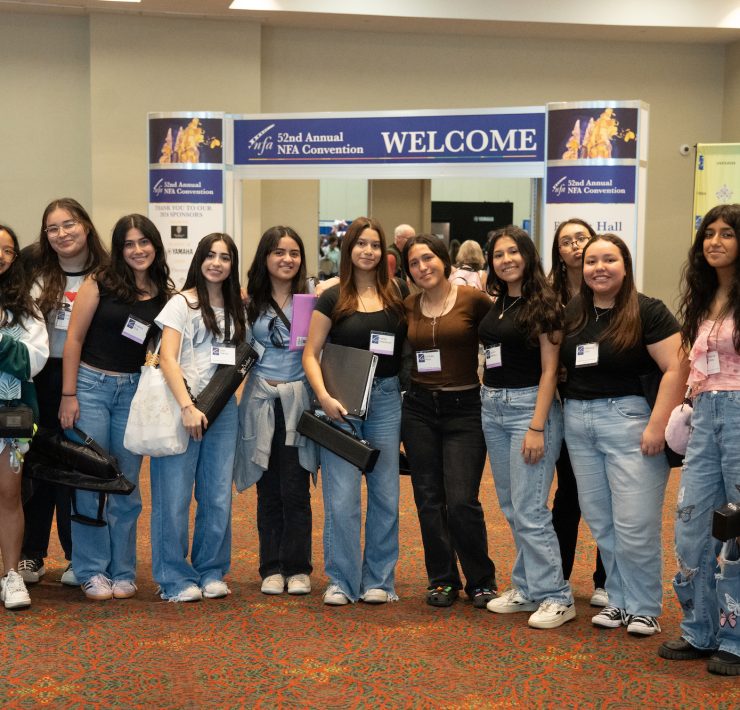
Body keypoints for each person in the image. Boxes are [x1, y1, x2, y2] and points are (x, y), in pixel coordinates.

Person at [561, 233, 687, 636]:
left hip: (630, 422)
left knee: (635, 523)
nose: (599, 268)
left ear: (625, 265)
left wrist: (657, 425)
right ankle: (617, 599)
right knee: (602, 521)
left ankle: (645, 605)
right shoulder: (574, 311)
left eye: (609, 260)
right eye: (591, 261)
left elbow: (677, 368)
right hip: (579, 424)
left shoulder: (648, 310)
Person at [60, 214, 173, 601]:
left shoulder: (164, 292)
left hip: (135, 393)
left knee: (126, 485)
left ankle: (123, 569)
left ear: (155, 245)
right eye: (129, 243)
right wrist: (68, 395)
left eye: (144, 242)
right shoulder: (100, 282)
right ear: (119, 248)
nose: (137, 250)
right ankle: (90, 569)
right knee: (91, 482)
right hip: (91, 387)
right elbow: (73, 340)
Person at [303, 216, 407, 605]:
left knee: (385, 496)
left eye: (375, 245)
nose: (368, 251)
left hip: (384, 401)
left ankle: (380, 580)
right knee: (342, 498)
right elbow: (310, 354)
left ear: (384, 252)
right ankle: (342, 581)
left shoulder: (397, 292)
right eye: (360, 244)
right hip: (340, 404)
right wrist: (324, 397)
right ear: (349, 250)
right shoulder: (332, 296)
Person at [659, 204, 740, 676]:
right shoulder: (703, 297)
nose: (715, 241)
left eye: (727, 233)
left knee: (737, 528)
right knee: (692, 524)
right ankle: (700, 629)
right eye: (709, 233)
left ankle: (734, 635)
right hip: (705, 415)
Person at [480, 227, 575, 628]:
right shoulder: (499, 302)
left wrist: (537, 427)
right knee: (511, 506)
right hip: (493, 409)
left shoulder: (545, 303)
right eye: (498, 254)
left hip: (528, 410)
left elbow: (551, 369)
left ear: (528, 255)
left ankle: (558, 595)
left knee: (531, 508)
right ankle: (527, 587)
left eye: (513, 252)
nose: (506, 260)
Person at [150, 233, 246, 602]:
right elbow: (168, 358)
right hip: (183, 410)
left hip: (222, 413)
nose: (217, 263)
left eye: (225, 257)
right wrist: (188, 406)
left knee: (217, 497)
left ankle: (210, 570)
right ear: (199, 259)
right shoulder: (181, 303)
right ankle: (173, 578)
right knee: (173, 498)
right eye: (210, 255)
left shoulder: (238, 305)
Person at [401, 234, 496, 608]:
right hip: (420, 409)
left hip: (466, 407)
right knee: (428, 499)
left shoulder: (474, 300)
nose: (422, 267)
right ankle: (441, 579)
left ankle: (480, 579)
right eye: (414, 263)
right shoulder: (408, 306)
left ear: (445, 262)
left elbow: (501, 338)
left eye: (428, 259)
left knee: (461, 500)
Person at [18, 198, 108, 588]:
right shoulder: (34, 272)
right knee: (35, 465)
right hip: (40, 378)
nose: (61, 234)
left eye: (68, 224)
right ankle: (31, 554)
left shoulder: (108, 275)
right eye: (52, 229)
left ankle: (77, 556)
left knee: (76, 464)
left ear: (86, 226)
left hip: (85, 379)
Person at [234, 226, 318, 597]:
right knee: (267, 489)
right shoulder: (248, 300)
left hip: (298, 403)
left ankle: (298, 567)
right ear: (265, 257)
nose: (287, 259)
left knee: (296, 489)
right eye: (279, 252)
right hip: (260, 402)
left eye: (294, 253)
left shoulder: (312, 298)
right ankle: (270, 566)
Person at [547, 218, 608, 608]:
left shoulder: (609, 290)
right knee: (568, 494)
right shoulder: (548, 297)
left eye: (580, 238)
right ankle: (559, 578)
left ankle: (605, 580)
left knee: (607, 494)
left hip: (604, 403)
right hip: (561, 404)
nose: (574, 246)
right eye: (566, 241)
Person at [0, 224, 49, 610]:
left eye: (8, 250)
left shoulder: (25, 307)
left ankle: (12, 575)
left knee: (9, 494)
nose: (1, 254)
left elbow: (32, 362)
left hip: (10, 420)